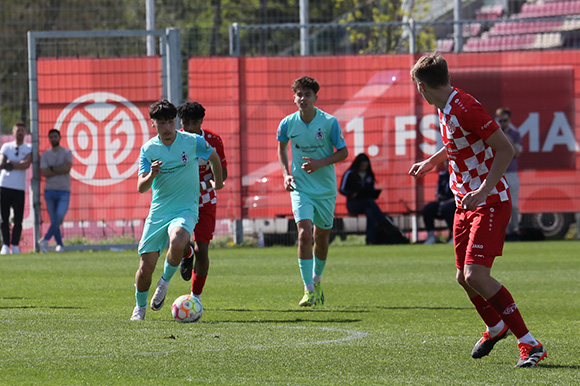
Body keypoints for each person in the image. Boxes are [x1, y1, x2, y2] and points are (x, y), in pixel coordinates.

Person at [408, 53, 546, 368]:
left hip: (490, 201)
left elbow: (505, 149)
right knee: (463, 277)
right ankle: (496, 327)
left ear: (421, 86)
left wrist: (483, 190)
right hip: (464, 203)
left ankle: (530, 343)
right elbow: (458, 142)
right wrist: (432, 161)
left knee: (476, 275)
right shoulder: (445, 107)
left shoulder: (465, 107)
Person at [130, 100, 224, 321]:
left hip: (186, 208)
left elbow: (214, 158)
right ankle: (140, 308)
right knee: (145, 268)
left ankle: (164, 283)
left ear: (176, 122)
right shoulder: (149, 149)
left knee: (180, 239)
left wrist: (218, 183)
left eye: (171, 121)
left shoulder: (192, 141)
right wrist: (152, 175)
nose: (168, 127)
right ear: (153, 124)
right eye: (162, 123)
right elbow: (141, 187)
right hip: (159, 212)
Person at [277, 76, 348, 307]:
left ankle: (317, 280)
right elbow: (281, 149)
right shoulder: (287, 123)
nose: (303, 98)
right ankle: (307, 290)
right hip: (300, 188)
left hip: (325, 189)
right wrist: (286, 174)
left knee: (321, 236)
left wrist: (320, 163)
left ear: (316, 98)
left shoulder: (329, 122)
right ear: (294, 97)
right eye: (299, 94)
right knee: (304, 234)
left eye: (307, 94)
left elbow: (343, 152)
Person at [177, 101, 228, 302]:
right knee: (178, 243)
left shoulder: (213, 141)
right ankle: (186, 252)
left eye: (194, 123)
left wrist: (209, 185)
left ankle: (195, 297)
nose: (190, 128)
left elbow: (222, 173)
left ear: (201, 121)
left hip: (205, 199)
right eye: (186, 123)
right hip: (179, 200)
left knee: (202, 249)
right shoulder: (174, 140)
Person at [339, 153, 387, 245]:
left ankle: (370, 240)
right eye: (362, 165)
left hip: (366, 202)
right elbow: (342, 189)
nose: (364, 167)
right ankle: (383, 221)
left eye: (366, 165)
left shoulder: (369, 174)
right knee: (370, 202)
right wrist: (351, 194)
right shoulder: (350, 173)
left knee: (370, 212)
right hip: (353, 204)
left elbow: (371, 188)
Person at [0, 122, 32, 255]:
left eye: (22, 131)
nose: (20, 133)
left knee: (18, 219)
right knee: (4, 218)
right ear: (13, 133)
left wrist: (11, 164)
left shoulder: (28, 148)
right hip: (4, 186)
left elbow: (26, 164)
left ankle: (15, 245)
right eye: (18, 130)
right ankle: (5, 245)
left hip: (19, 188)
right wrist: (14, 163)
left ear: (25, 133)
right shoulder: (6, 147)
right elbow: (1, 163)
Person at [38, 129, 73, 253]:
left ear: (59, 137)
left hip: (64, 190)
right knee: (54, 220)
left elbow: (67, 168)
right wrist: (58, 169)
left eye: (55, 136)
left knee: (59, 216)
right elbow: (44, 172)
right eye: (51, 137)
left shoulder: (67, 152)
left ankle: (45, 240)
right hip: (50, 190)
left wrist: (52, 168)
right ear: (49, 139)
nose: (53, 139)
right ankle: (59, 245)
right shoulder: (46, 155)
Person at [496, 107, 522, 238]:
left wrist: (505, 136)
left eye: (504, 120)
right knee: (500, 203)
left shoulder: (514, 134)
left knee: (514, 203)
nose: (502, 123)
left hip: (511, 172)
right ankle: (502, 230)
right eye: (499, 120)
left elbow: (516, 153)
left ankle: (515, 229)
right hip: (499, 172)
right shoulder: (494, 134)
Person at [422, 160, 455, 244]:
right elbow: (438, 193)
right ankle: (431, 236)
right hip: (443, 201)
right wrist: (440, 198)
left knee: (447, 208)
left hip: (454, 202)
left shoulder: (458, 175)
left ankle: (453, 235)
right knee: (428, 208)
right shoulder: (442, 176)